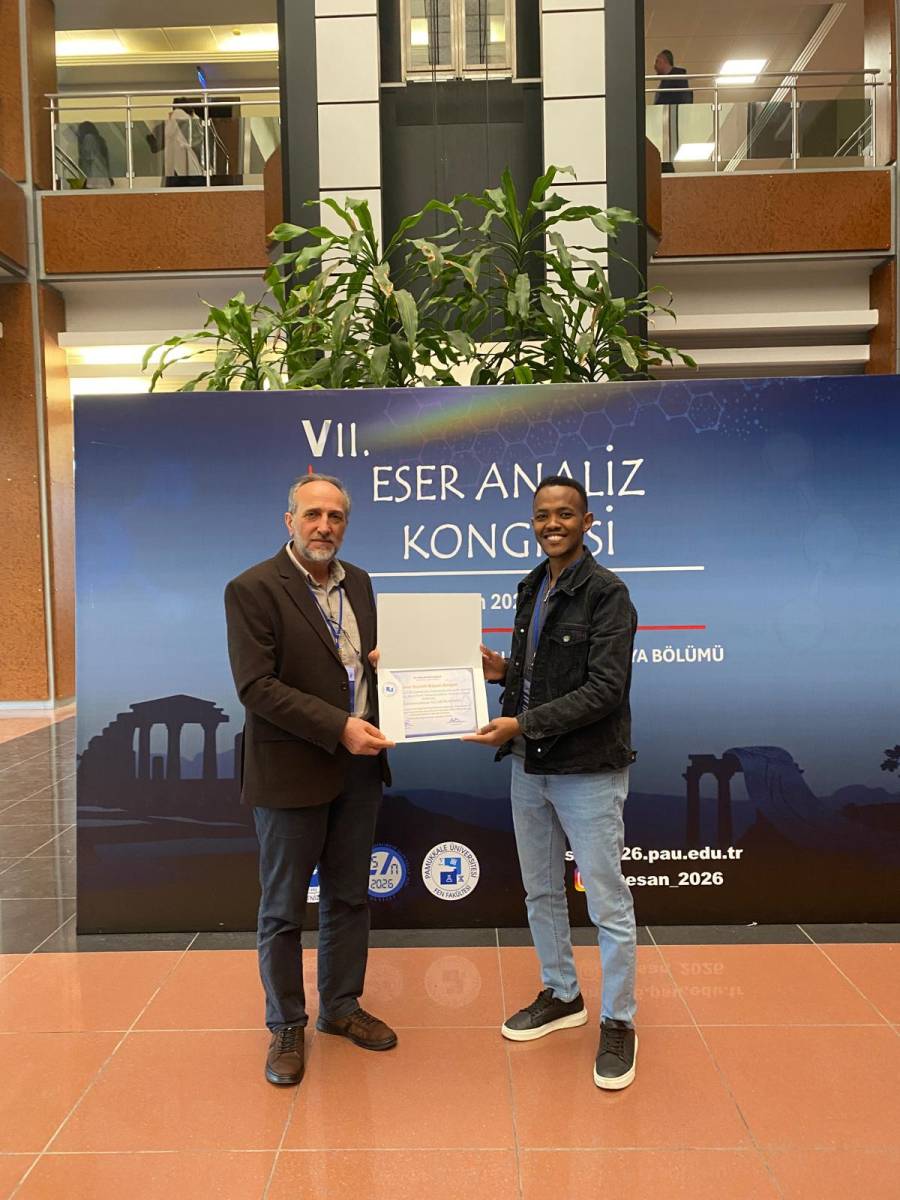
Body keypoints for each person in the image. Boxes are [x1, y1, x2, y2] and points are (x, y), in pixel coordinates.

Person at [463, 476, 639, 1089]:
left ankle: (618, 1020)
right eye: (542, 515)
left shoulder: (608, 594)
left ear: (587, 522)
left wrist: (522, 722)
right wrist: (503, 673)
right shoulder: (532, 586)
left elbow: (603, 690)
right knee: (540, 891)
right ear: (532, 523)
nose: (552, 524)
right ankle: (563, 994)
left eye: (565, 514)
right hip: (528, 766)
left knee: (607, 902)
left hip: (587, 769)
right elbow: (544, 674)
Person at [224, 473, 396, 1088]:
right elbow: (256, 686)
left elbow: (361, 666)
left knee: (350, 897)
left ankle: (341, 1007)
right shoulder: (252, 588)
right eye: (313, 514)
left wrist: (394, 670)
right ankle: (286, 1025)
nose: (324, 526)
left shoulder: (362, 584)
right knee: (283, 908)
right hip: (290, 769)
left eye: (336, 516)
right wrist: (338, 726)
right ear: (289, 520)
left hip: (359, 768)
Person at [654, 49, 693, 172]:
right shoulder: (667, 82)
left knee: (666, 152)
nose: (655, 66)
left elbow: (683, 100)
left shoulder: (677, 79)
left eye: (657, 61)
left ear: (664, 61)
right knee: (665, 153)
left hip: (672, 122)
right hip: (668, 124)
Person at [75, 121, 113, 188]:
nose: (78, 133)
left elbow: (88, 158)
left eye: (79, 130)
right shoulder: (98, 140)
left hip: (94, 179)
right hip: (101, 178)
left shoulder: (89, 138)